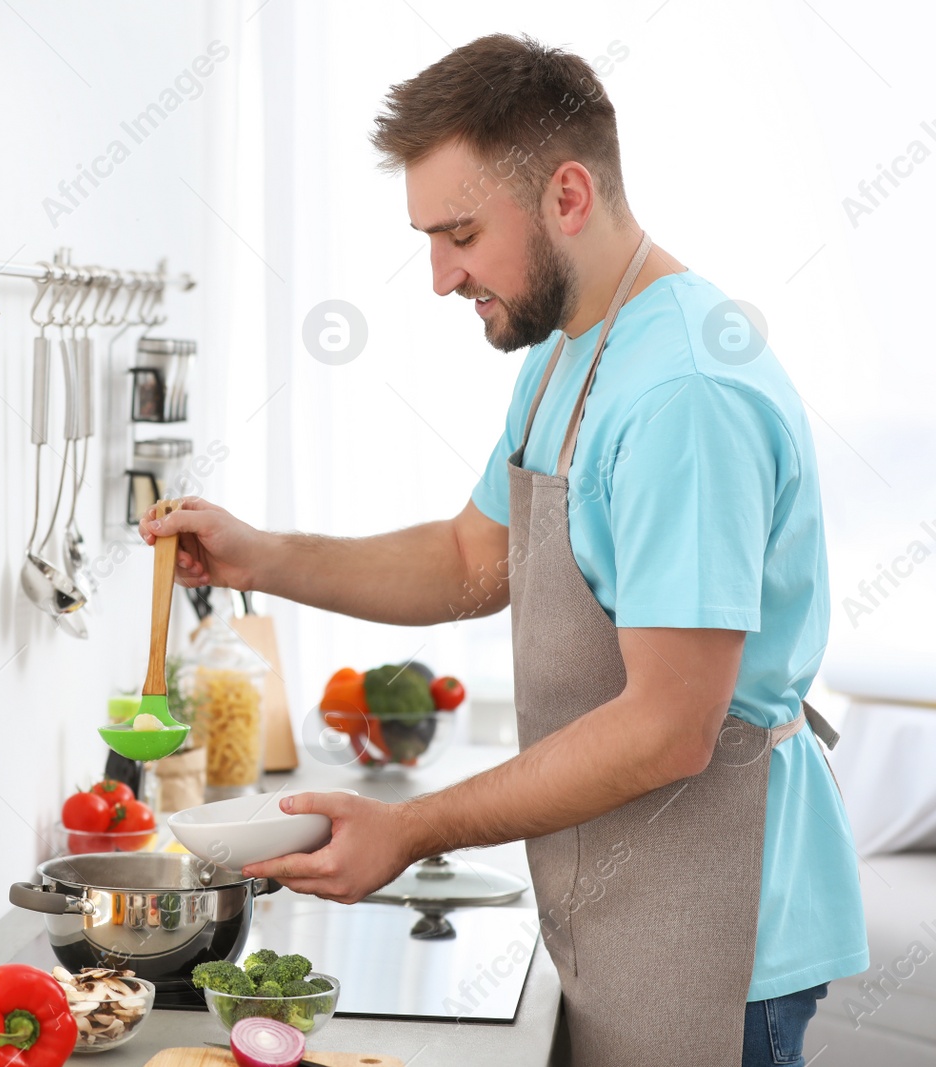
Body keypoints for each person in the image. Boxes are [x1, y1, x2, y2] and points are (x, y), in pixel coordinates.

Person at [139, 33, 867, 1067]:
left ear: (568, 195)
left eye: (461, 233)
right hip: (624, 886)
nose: (439, 275)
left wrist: (412, 826)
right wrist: (261, 555)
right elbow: (469, 558)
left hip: (719, 916)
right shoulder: (574, 345)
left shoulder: (684, 397)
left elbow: (668, 727)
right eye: (428, 237)